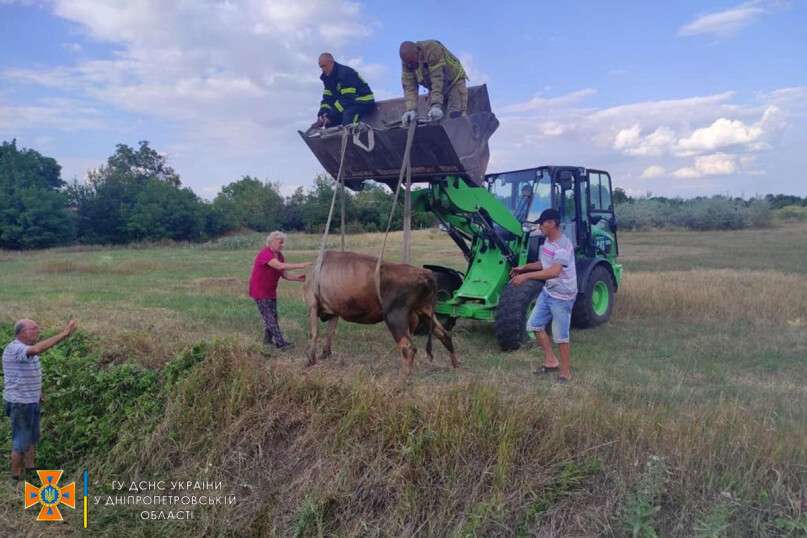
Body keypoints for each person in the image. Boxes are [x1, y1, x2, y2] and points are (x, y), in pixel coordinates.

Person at [3, 318, 78, 483]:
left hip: (31, 401)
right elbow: (38, 349)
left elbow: (28, 373)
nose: (38, 331)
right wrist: (64, 334)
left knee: (32, 436)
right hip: (21, 403)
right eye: (34, 328)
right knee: (21, 440)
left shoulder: (26, 350)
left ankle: (30, 468)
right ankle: (15, 477)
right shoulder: (16, 348)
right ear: (22, 332)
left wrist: (38, 392)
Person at [510, 208, 577, 383]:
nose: (540, 226)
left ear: (552, 223)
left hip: (562, 296)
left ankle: (565, 373)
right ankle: (551, 361)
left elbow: (554, 271)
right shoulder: (547, 241)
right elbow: (545, 263)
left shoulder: (563, 245)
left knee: (560, 336)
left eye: (542, 223)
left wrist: (526, 277)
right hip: (548, 291)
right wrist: (524, 268)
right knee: (534, 325)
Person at [249, 231, 310, 350]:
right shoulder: (265, 253)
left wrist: (299, 279)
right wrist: (300, 265)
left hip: (270, 291)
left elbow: (284, 274)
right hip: (260, 291)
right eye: (280, 242)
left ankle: (267, 341)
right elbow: (279, 266)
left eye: (283, 242)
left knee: (273, 317)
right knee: (270, 318)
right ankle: (281, 344)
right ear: (271, 242)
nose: (282, 245)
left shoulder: (280, 256)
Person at [399, 40, 468, 126]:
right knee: (434, 121)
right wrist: (411, 110)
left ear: (418, 52)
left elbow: (437, 79)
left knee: (455, 119)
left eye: (413, 62)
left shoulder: (432, 49)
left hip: (453, 83)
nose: (411, 66)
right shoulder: (407, 62)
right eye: (409, 64)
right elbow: (409, 87)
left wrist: (436, 105)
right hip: (434, 89)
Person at [312, 53, 376, 128]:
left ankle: (352, 133)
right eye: (321, 67)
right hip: (348, 103)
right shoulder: (327, 78)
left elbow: (348, 99)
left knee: (348, 116)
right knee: (329, 122)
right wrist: (323, 114)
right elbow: (327, 99)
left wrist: (330, 114)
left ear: (331, 62)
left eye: (324, 66)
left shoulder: (345, 73)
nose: (323, 69)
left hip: (362, 100)